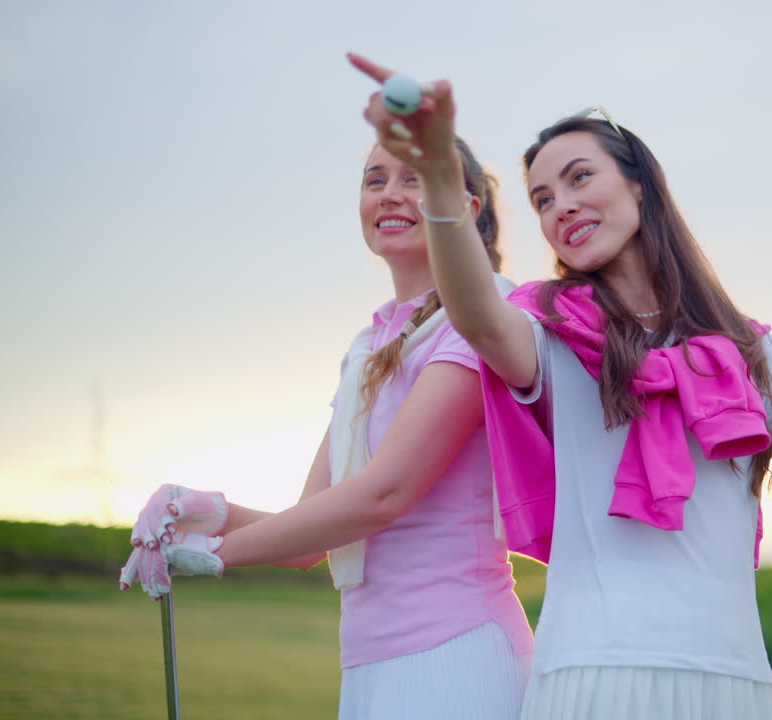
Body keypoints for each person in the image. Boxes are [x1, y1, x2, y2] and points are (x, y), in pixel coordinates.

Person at [349, 55, 772, 720]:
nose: (563, 206)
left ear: (640, 185)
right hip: (593, 684)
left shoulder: (751, 350)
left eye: (580, 177)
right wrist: (439, 175)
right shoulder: (548, 331)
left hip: (736, 685)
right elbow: (475, 314)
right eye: (543, 200)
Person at [120, 137, 534, 720]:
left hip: (456, 651)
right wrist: (198, 510)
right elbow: (313, 531)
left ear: (463, 207)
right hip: (368, 662)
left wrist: (218, 552)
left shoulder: (483, 314)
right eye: (375, 180)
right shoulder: (368, 348)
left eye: (413, 178)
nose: (390, 193)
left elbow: (382, 496)